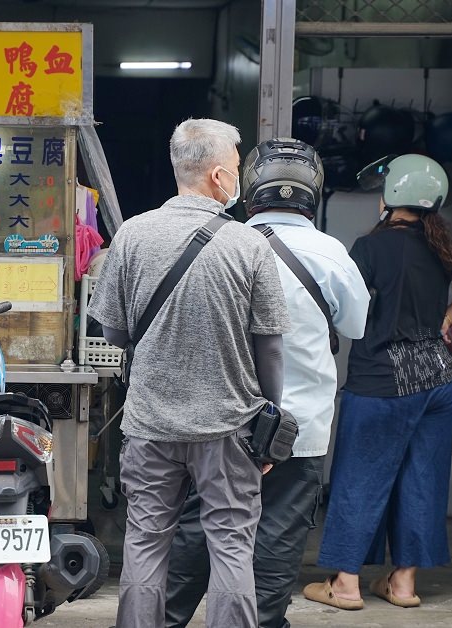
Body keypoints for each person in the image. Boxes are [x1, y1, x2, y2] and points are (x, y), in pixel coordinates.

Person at [87, 118, 291, 627]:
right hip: (229, 428)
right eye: (239, 168)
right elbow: (270, 345)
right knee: (231, 546)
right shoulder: (249, 245)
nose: (240, 177)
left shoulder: (132, 236)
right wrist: (271, 417)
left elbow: (111, 335)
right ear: (220, 177)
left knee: (146, 541)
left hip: (150, 426)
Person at [165, 138, 370, 627]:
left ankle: (162, 618)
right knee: (276, 542)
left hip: (221, 422)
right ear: (313, 191)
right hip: (298, 430)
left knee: (197, 529)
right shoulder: (330, 253)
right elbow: (357, 326)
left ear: (251, 185)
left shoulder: (217, 241)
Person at [303, 154, 452, 610]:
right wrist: (444, 318)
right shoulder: (442, 246)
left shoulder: (370, 249)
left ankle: (347, 585)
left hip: (381, 382)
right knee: (422, 478)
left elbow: (341, 307)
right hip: (435, 380)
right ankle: (403, 585)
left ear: (390, 198)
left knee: (360, 478)